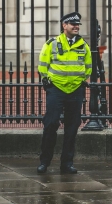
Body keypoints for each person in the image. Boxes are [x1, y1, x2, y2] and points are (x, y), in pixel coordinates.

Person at [37, 12, 92, 174]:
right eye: (72, 24)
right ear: (64, 26)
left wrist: (82, 80)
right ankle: (44, 162)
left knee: (72, 127)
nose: (76, 26)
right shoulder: (52, 43)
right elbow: (43, 63)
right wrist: (46, 80)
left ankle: (67, 163)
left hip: (75, 89)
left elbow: (88, 66)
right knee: (51, 124)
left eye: (78, 24)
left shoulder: (84, 45)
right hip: (56, 89)